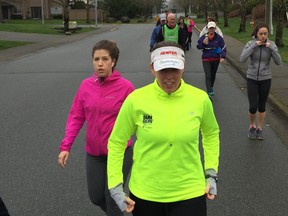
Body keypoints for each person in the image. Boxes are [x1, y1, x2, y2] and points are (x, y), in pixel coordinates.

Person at [107, 41, 220, 216]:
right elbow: (117, 142)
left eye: (174, 69)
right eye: (163, 70)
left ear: (183, 67)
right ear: (152, 68)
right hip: (146, 194)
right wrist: (115, 186)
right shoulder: (136, 100)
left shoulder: (200, 99)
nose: (169, 77)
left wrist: (211, 173)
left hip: (189, 193)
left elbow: (211, 134)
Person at [57, 40, 134, 216]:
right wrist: (65, 147)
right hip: (94, 153)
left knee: (112, 197)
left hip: (119, 153)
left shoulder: (126, 88)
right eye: (96, 59)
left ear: (113, 61)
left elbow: (138, 120)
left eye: (105, 59)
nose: (100, 63)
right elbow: (76, 117)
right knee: (96, 197)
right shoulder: (85, 86)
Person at [239, 23, 282, 140]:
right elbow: (242, 59)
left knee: (262, 106)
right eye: (261, 34)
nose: (263, 36)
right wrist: (253, 46)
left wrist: (272, 48)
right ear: (256, 34)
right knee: (253, 106)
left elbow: (279, 62)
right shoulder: (250, 43)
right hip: (252, 78)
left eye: (265, 34)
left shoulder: (271, 45)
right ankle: (251, 126)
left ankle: (259, 128)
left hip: (265, 78)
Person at [197, 21, 227, 98]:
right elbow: (198, 46)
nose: (211, 29)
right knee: (208, 75)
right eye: (210, 28)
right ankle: (209, 90)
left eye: (213, 28)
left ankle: (211, 88)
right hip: (206, 58)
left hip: (215, 58)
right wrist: (203, 43)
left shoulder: (218, 38)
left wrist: (223, 57)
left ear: (215, 28)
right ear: (208, 28)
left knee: (213, 75)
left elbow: (223, 47)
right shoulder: (204, 37)